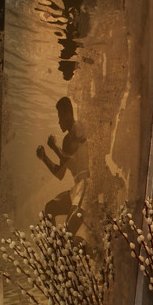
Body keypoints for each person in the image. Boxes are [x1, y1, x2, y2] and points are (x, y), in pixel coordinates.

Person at [36, 96, 90, 234]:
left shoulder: (79, 128)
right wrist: (44, 158)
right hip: (77, 189)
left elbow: (74, 161)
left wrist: (54, 148)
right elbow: (60, 173)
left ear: (67, 113)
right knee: (50, 208)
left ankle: (65, 250)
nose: (59, 122)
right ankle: (54, 250)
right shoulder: (66, 140)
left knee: (67, 234)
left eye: (60, 117)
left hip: (86, 188)